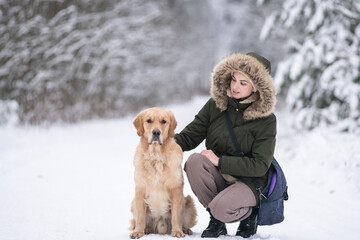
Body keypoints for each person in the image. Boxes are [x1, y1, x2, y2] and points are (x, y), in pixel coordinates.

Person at [174, 52, 277, 238]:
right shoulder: (216, 105)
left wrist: (220, 161)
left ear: (257, 87)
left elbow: (260, 165)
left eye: (243, 83)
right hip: (220, 176)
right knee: (194, 162)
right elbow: (190, 136)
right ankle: (217, 221)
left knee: (222, 208)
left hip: (248, 182)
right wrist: (162, 143)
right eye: (234, 79)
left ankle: (250, 213)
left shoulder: (266, 120)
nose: (235, 86)